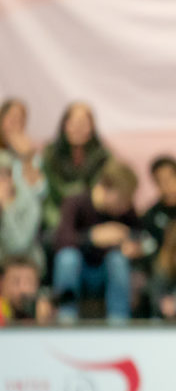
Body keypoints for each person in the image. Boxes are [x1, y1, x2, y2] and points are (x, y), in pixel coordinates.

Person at [50, 158, 141, 323]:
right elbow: (60, 239)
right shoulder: (76, 202)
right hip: (79, 270)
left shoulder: (125, 211)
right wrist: (92, 237)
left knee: (118, 260)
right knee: (67, 258)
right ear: (106, 189)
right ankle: (66, 315)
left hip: (106, 272)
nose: (125, 206)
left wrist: (133, 246)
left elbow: (140, 235)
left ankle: (119, 319)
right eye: (122, 199)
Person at [41, 101, 110, 234]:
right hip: (56, 217)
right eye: (73, 123)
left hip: (92, 218)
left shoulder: (103, 156)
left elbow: (103, 191)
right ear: (64, 125)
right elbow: (53, 191)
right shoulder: (50, 154)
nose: (78, 128)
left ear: (92, 127)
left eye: (84, 123)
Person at [0, 255, 53, 326]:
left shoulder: (46, 311)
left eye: (29, 282)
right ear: (2, 283)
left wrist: (46, 320)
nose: (23, 289)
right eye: (15, 282)